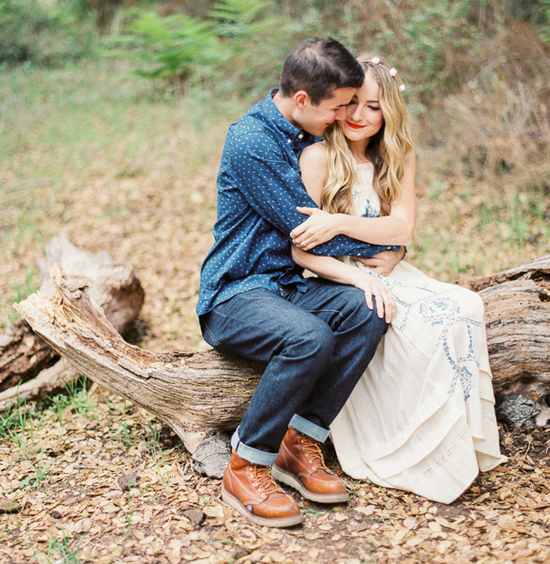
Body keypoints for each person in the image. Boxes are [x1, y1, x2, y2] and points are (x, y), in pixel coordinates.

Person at [196, 39, 406, 527]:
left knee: (367, 310)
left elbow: (332, 226)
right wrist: (384, 250)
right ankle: (246, 465)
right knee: (309, 337)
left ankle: (300, 441)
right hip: (236, 293)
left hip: (288, 286)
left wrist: (384, 253)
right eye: (337, 108)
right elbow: (306, 228)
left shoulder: (301, 132)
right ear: (304, 101)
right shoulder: (252, 142)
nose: (343, 117)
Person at [290, 55, 506, 504]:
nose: (357, 116)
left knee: (466, 305)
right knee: (412, 324)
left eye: (372, 106)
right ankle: (414, 451)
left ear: (389, 110)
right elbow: (303, 248)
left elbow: (402, 228)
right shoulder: (318, 156)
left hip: (391, 268)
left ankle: (458, 443)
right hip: (339, 277)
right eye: (350, 103)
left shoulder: (397, 155)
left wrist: (338, 224)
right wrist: (352, 251)